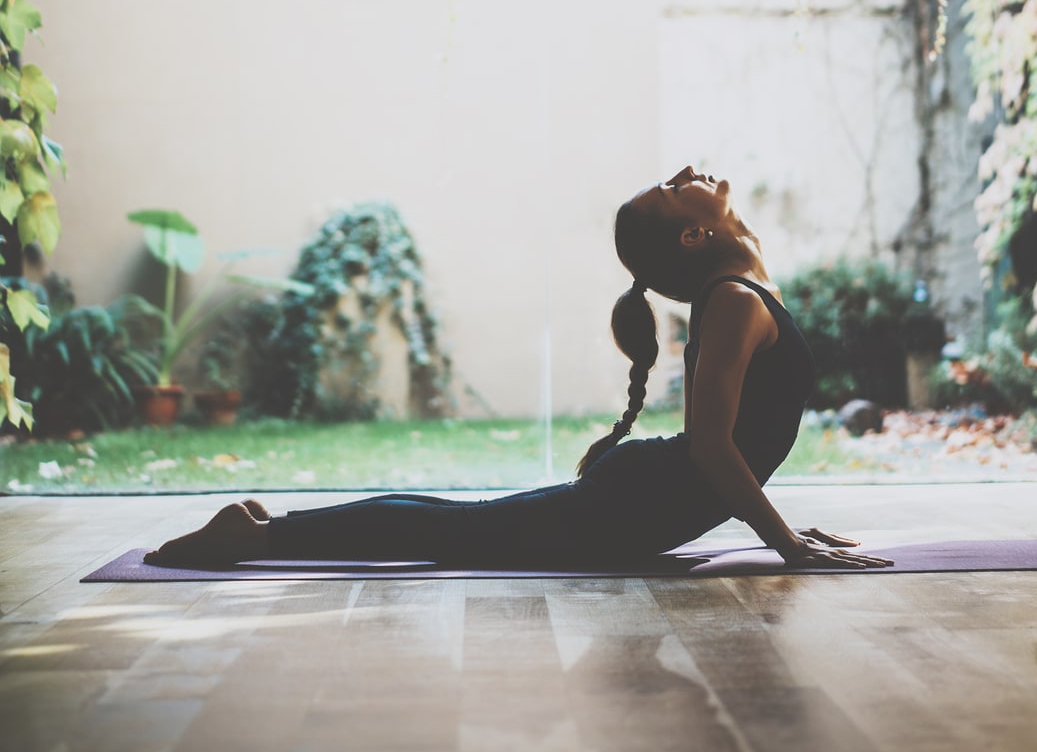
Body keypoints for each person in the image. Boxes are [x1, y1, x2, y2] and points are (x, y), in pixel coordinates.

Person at [146, 168, 892, 572]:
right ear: (695, 234)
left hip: (641, 499)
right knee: (452, 534)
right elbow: (711, 449)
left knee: (458, 525)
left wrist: (781, 531)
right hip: (632, 508)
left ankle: (267, 528)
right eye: (672, 185)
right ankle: (255, 538)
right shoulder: (731, 302)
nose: (688, 172)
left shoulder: (736, 295)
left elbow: (721, 447)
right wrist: (782, 541)